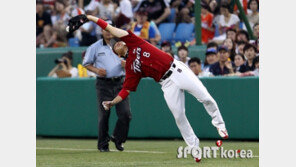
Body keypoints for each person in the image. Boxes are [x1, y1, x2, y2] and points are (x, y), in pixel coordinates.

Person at [68, 14, 229, 160]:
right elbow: (126, 90)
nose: (117, 44)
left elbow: (109, 28)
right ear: (117, 54)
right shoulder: (130, 68)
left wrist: (89, 17)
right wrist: (112, 102)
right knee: (179, 115)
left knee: (205, 97)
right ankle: (194, 147)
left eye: (118, 42)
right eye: (115, 46)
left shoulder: (133, 40)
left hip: (176, 70)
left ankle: (219, 124)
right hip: (166, 83)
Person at [82, 20, 132, 152]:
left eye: (110, 28)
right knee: (104, 115)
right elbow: (86, 63)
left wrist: (126, 64)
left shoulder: (122, 45)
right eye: (105, 29)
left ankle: (118, 138)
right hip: (104, 84)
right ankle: (103, 145)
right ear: (101, 31)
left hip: (120, 83)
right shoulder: (95, 47)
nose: (108, 31)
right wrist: (97, 70)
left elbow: (131, 61)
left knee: (126, 114)